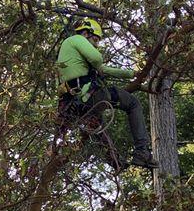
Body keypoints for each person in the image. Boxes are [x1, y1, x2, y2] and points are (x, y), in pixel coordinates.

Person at [56, 18, 158, 169]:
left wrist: (131, 74)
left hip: (74, 106)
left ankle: (115, 162)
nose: (97, 45)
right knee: (133, 103)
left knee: (97, 127)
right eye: (95, 39)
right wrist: (97, 63)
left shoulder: (72, 54)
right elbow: (97, 59)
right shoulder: (76, 39)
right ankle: (142, 152)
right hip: (89, 96)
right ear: (85, 33)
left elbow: (103, 69)